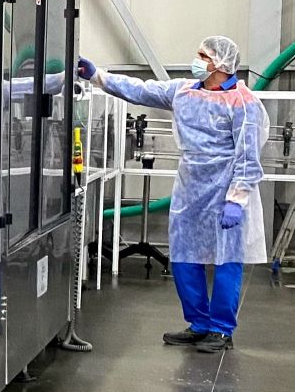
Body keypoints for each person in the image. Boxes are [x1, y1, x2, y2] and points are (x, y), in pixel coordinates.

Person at [78, 36, 269, 352]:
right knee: (183, 257)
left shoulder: (243, 103)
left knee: (226, 261)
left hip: (225, 191)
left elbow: (248, 157)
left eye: (203, 56)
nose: (197, 60)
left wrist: (237, 199)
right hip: (190, 190)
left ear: (221, 64)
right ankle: (199, 324)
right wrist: (98, 75)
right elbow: (141, 90)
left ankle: (221, 330)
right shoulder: (184, 91)